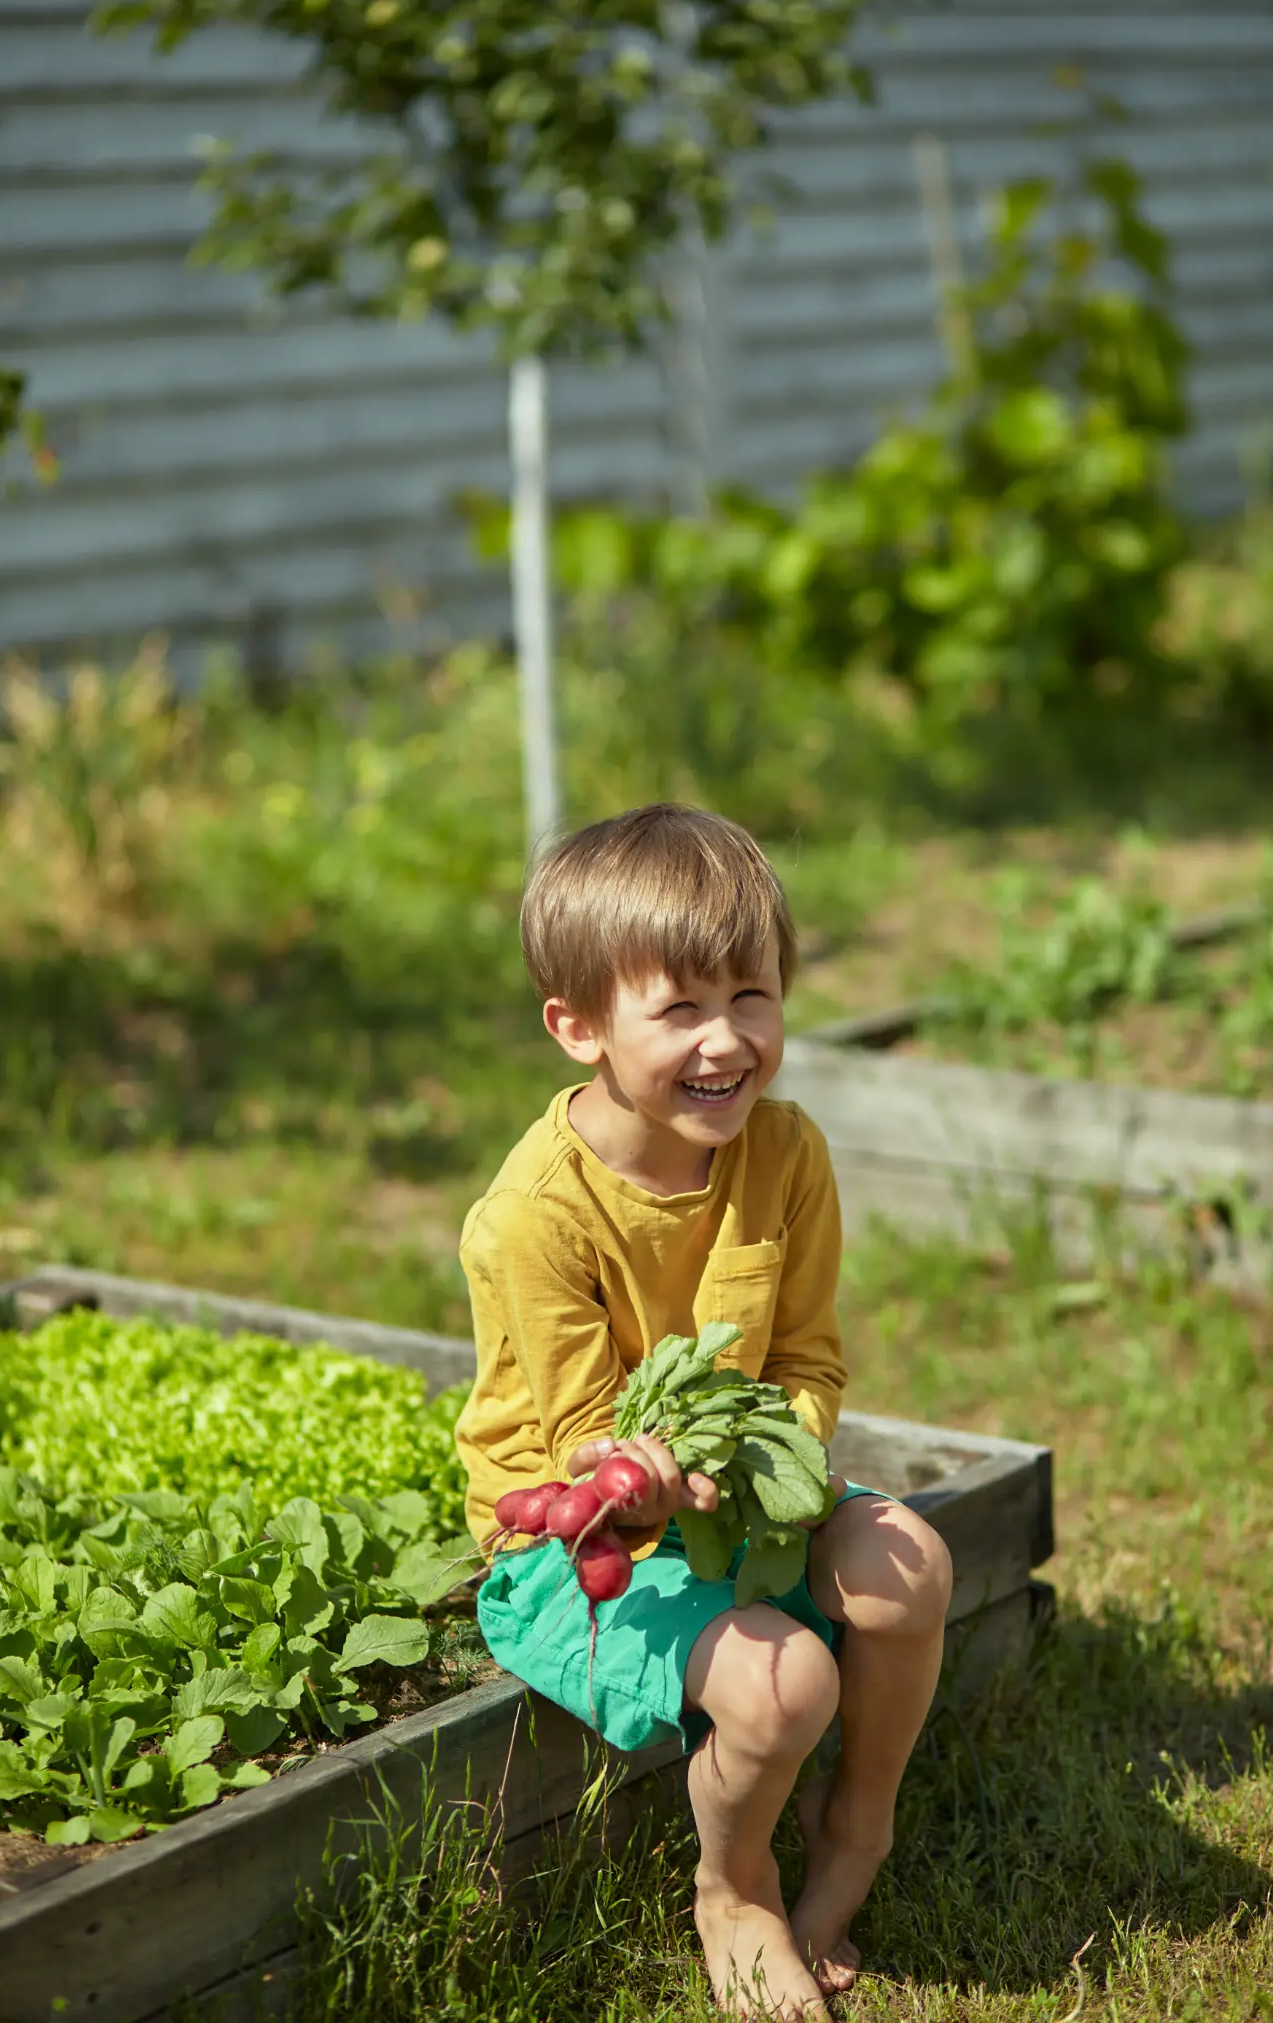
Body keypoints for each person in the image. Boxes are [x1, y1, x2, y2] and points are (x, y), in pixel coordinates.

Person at [455, 803, 952, 2020]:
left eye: (755, 996)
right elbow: (586, 1443)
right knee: (782, 1688)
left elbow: (808, 1359)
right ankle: (732, 1888)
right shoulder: (535, 1214)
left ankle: (858, 1827)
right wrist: (647, 1477)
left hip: (736, 1483)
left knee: (914, 1567)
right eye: (679, 1009)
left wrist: (772, 1451)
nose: (727, 1039)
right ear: (578, 1028)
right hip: (579, 1540)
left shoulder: (787, 1153)